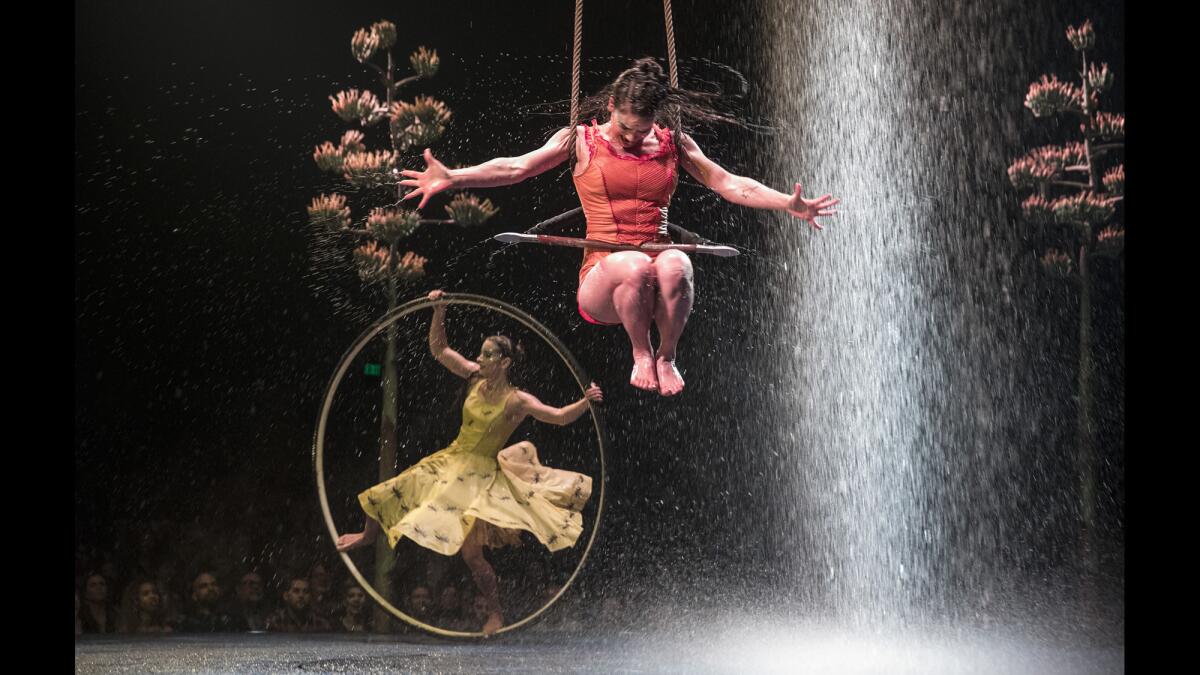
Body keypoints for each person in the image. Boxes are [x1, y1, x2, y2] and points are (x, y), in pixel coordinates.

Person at [400, 57, 839, 396]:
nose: (632, 138)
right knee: (634, 264)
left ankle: (666, 357)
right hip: (603, 281)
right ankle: (640, 352)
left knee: (675, 265)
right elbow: (516, 167)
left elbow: (728, 183)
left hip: (656, 272)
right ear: (611, 106)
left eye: (641, 130)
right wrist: (454, 176)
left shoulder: (673, 143)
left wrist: (786, 203)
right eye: (626, 128)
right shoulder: (580, 140)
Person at [337, 289, 601, 635]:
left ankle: (496, 613)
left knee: (473, 557)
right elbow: (439, 351)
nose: (480, 358)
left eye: (487, 354)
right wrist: (439, 311)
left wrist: (585, 401)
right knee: (389, 491)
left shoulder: (516, 401)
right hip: (450, 460)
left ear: (504, 363)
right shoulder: (475, 376)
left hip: (480, 478)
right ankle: (367, 536)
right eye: (481, 353)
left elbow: (558, 416)